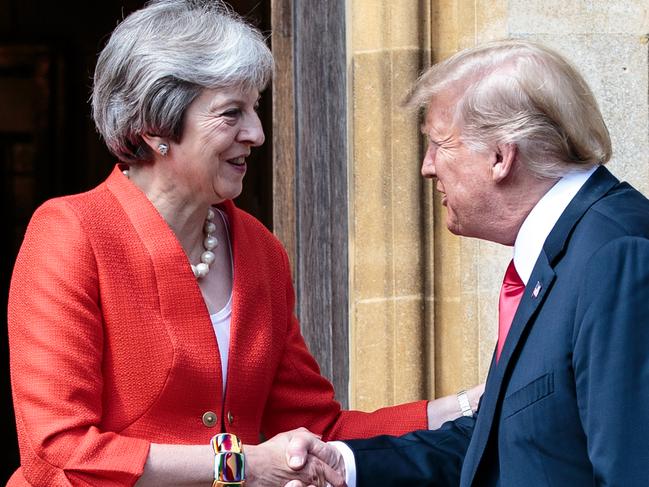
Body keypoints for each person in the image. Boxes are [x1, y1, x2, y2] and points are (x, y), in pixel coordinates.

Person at [5, 1, 484, 485]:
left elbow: (317, 430)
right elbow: (58, 452)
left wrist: (467, 405)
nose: (255, 133)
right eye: (232, 113)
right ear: (154, 127)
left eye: (254, 109)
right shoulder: (72, 233)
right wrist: (242, 466)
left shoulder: (259, 249)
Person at [287, 38, 649, 486]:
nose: (427, 166)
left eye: (440, 144)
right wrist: (346, 465)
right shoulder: (566, 253)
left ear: (500, 156)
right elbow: (495, 446)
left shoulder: (617, 255)